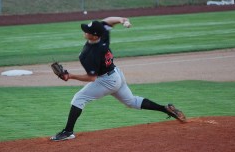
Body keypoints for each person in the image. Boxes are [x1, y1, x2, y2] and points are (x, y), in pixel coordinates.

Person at [50, 17, 187, 141]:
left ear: (93, 35)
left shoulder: (89, 54)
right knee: (131, 102)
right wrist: (123, 20)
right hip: (116, 74)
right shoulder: (102, 35)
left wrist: (70, 76)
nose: (85, 31)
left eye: (87, 31)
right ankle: (165, 109)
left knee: (78, 98)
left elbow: (92, 77)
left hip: (107, 81)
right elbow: (109, 21)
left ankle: (68, 131)